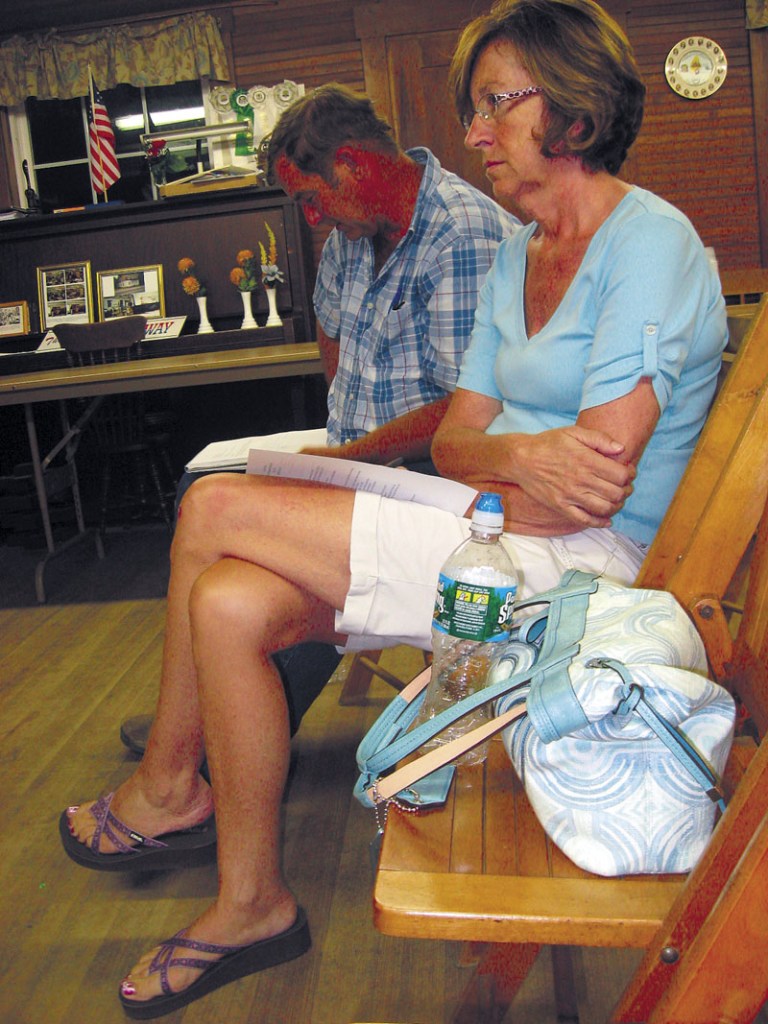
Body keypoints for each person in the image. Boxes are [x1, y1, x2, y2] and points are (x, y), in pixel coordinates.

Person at [62, 1, 727, 1017]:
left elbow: (599, 482)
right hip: (495, 527)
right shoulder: (522, 252)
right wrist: (520, 458)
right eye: (477, 108)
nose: (473, 132)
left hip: (593, 580)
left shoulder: (651, 244)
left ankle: (165, 788)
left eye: (496, 104)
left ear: (577, 115)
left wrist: (514, 464)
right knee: (232, 599)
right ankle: (253, 901)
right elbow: (459, 439)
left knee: (209, 511)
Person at [118, 83, 517, 757]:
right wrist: (336, 449)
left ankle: (212, 738)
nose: (310, 219)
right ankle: (217, 724)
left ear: (356, 165)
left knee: (226, 518)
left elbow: (466, 410)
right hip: (366, 457)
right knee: (206, 494)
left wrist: (352, 457)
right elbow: (332, 339)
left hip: (443, 477)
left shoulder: (461, 234)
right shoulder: (349, 239)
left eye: (311, 198)